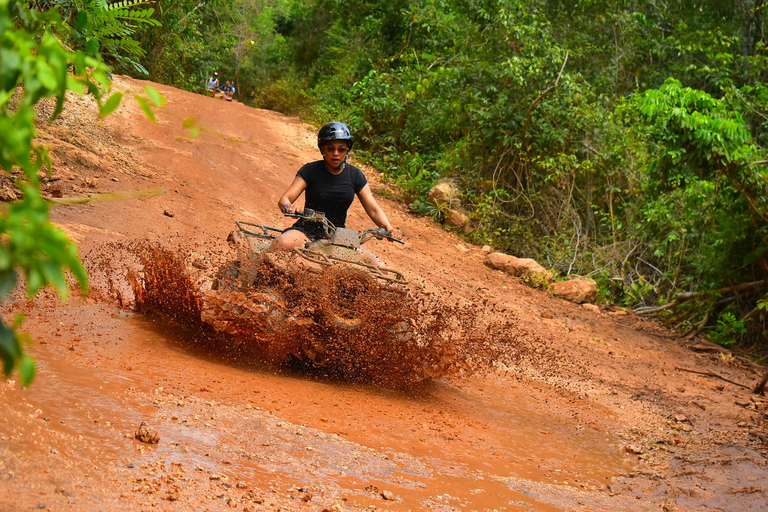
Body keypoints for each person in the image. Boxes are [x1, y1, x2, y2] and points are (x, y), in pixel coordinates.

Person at [270, 122, 402, 261]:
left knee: (379, 267)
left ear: (347, 150)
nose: (336, 154)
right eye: (330, 148)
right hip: (306, 231)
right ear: (322, 149)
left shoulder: (355, 175)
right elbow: (284, 199)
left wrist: (389, 228)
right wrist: (288, 207)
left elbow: (374, 209)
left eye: (342, 149)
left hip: (339, 237)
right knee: (282, 244)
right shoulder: (310, 171)